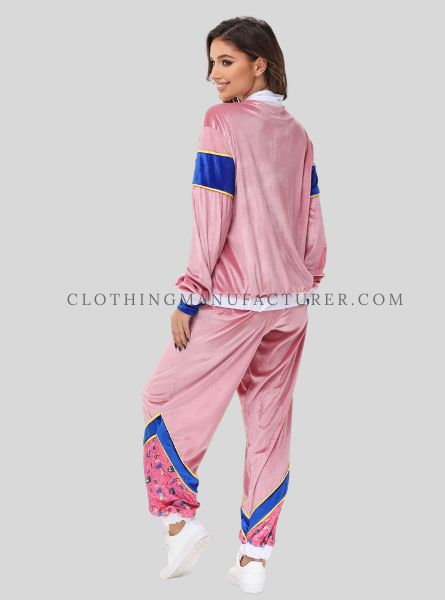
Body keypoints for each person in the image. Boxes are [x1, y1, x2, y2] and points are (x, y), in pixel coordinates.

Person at [141, 16, 327, 593]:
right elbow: (313, 217)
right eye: (211, 63)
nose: (213, 75)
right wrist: (304, 278)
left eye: (225, 61)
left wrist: (190, 293)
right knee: (270, 425)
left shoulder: (221, 122)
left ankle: (179, 524)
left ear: (259, 63)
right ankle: (254, 560)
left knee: (161, 397)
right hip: (291, 304)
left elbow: (211, 210)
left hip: (231, 301)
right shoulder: (298, 132)